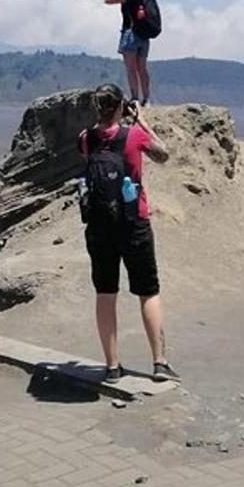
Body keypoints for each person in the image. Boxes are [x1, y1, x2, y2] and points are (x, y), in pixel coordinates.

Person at [78, 83, 180, 383]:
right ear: (122, 107)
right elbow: (164, 155)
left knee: (105, 293)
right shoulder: (134, 136)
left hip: (99, 227)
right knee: (148, 291)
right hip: (134, 222)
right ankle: (159, 363)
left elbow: (90, 160)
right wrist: (142, 122)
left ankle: (112, 366)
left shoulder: (85, 139)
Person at [105, 0, 153, 106]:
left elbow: (108, 0)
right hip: (144, 35)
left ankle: (135, 98)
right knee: (142, 69)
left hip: (130, 34)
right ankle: (147, 99)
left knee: (131, 69)